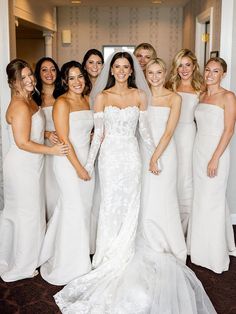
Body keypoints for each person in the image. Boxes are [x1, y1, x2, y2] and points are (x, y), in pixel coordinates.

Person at [54, 52, 216, 314]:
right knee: (110, 205)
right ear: (112, 70)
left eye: (125, 67)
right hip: (108, 159)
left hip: (131, 157)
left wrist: (155, 157)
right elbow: (98, 136)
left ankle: (127, 250)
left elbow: (144, 132)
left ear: (131, 71)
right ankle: (107, 253)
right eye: (116, 66)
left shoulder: (140, 95)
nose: (120, 70)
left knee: (131, 205)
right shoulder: (102, 97)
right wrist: (87, 165)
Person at [0, 59, 69, 282]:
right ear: (13, 82)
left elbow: (33, 131)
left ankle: (29, 255)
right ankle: (22, 264)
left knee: (31, 212)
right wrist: (53, 151)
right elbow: (22, 143)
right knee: (26, 215)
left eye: (30, 75)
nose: (30, 80)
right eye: (24, 77)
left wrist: (47, 135)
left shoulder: (29, 99)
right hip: (22, 166)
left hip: (32, 164)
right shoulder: (19, 105)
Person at [39, 61, 95, 285]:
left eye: (80, 76)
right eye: (71, 78)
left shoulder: (86, 99)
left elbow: (86, 130)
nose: (77, 82)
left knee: (84, 207)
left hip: (87, 158)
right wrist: (79, 167)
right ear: (65, 81)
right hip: (67, 161)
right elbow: (64, 140)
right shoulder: (62, 103)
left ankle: (77, 251)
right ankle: (71, 263)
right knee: (73, 207)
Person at [187, 57, 236, 273]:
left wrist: (215, 157)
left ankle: (214, 254)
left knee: (213, 200)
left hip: (217, 152)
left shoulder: (228, 96)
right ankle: (198, 248)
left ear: (223, 74)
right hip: (198, 151)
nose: (209, 74)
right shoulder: (202, 95)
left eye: (215, 71)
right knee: (200, 199)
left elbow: (228, 130)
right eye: (207, 70)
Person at [140, 58, 186, 262]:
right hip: (143, 151)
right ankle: (147, 239)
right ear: (145, 74)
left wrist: (155, 157)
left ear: (166, 73)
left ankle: (168, 242)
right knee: (146, 196)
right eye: (151, 73)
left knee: (164, 196)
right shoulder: (141, 96)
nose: (155, 77)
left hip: (165, 152)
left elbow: (168, 132)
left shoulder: (174, 98)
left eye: (159, 72)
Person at [166, 48, 203, 235]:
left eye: (187, 65)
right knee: (172, 174)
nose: (184, 69)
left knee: (187, 176)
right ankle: (172, 223)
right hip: (170, 135)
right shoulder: (169, 87)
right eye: (180, 66)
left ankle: (187, 227)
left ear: (194, 65)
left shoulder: (201, 89)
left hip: (190, 135)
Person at [34, 57, 63, 220]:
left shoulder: (64, 95)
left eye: (52, 69)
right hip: (44, 147)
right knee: (48, 186)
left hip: (62, 145)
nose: (49, 73)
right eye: (44, 70)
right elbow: (29, 126)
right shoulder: (33, 98)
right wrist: (47, 134)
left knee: (61, 185)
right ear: (38, 73)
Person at [82, 49, 104, 253]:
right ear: (85, 64)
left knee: (102, 190)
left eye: (99, 62)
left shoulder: (107, 87)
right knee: (88, 189)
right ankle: (86, 238)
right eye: (91, 62)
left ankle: (100, 237)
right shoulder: (80, 86)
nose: (95, 67)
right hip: (84, 142)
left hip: (104, 143)